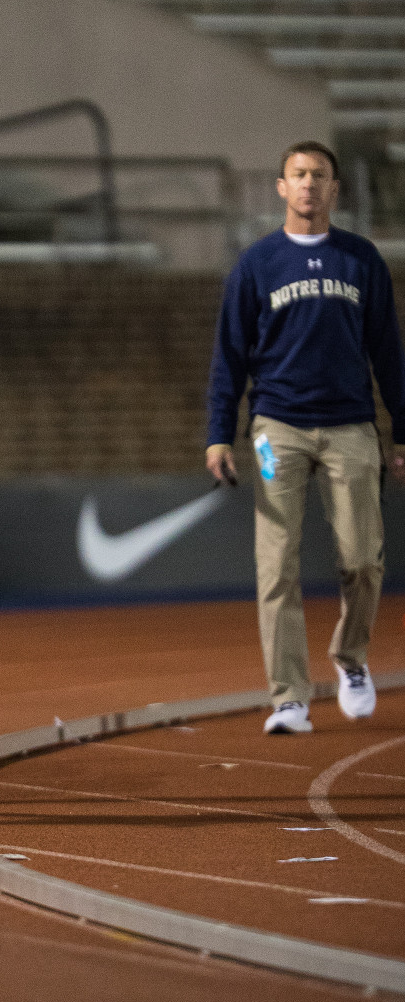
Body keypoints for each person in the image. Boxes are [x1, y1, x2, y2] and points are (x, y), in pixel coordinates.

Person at [206, 140, 405, 734]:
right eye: (299, 174)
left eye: (320, 175)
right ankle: (289, 696)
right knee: (276, 565)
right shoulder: (257, 264)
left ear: (335, 190)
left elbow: (389, 355)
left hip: (350, 425)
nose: (310, 184)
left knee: (362, 559)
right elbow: (228, 358)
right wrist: (219, 434)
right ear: (281, 187)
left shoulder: (360, 260)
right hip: (277, 428)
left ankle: (351, 659)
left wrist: (402, 432)